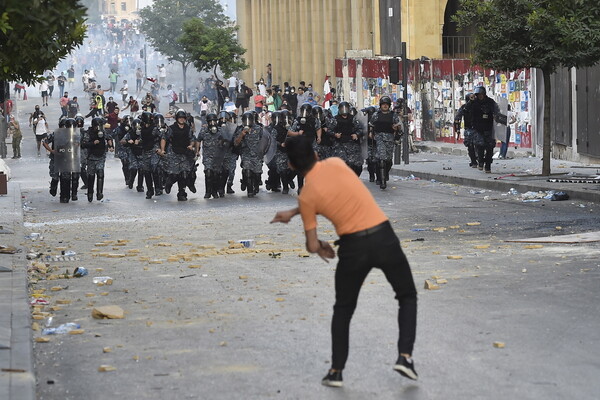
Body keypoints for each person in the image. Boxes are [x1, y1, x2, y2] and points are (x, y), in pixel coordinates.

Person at [270, 135, 418, 388]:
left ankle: (336, 371)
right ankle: (405, 356)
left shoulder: (307, 196)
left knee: (343, 309)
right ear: (316, 154)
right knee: (406, 296)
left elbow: (312, 243)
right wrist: (296, 212)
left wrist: (319, 244)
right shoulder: (337, 163)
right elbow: (336, 190)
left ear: (292, 166)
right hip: (384, 238)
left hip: (353, 248)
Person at [159, 109, 196, 201]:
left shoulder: (188, 128)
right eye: (180, 118)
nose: (181, 120)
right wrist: (163, 150)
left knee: (184, 174)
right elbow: (164, 138)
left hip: (185, 153)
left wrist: (191, 145)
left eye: (183, 118)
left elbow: (192, 138)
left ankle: (181, 193)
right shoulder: (171, 128)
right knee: (174, 174)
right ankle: (169, 183)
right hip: (173, 153)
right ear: (176, 118)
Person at [467, 86, 506, 173]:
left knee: (490, 147)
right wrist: (471, 100)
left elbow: (497, 110)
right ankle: (481, 162)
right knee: (479, 146)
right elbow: (467, 109)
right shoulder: (474, 103)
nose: (480, 96)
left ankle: (488, 165)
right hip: (478, 128)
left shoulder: (490, 102)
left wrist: (498, 116)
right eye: (478, 95)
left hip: (489, 127)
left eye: (481, 94)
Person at [369, 96, 402, 188]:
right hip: (379, 138)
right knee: (381, 159)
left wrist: (397, 129)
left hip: (390, 139)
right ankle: (382, 180)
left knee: (388, 161)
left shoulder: (393, 115)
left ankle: (385, 174)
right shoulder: (376, 115)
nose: (385, 106)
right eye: (383, 104)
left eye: (386, 104)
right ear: (380, 105)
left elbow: (399, 127)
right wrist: (371, 133)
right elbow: (371, 125)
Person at [81, 117, 114, 202]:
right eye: (97, 126)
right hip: (91, 157)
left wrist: (111, 146)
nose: (98, 128)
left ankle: (99, 193)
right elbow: (83, 144)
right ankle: (90, 193)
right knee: (91, 176)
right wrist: (92, 143)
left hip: (101, 156)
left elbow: (109, 138)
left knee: (100, 173)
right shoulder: (88, 133)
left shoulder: (103, 132)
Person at [233, 111, 264, 197]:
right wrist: (241, 135)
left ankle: (256, 185)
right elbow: (236, 143)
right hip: (246, 155)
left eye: (249, 120)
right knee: (248, 172)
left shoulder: (258, 129)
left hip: (257, 156)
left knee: (257, 174)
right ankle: (249, 191)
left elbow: (264, 140)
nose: (247, 122)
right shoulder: (239, 129)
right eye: (245, 120)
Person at [197, 113, 225, 199]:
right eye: (210, 121)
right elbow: (198, 140)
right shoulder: (203, 130)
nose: (212, 123)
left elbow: (226, 142)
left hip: (218, 156)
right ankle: (208, 192)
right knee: (208, 173)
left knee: (216, 174)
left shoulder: (220, 131)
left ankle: (214, 191)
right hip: (207, 156)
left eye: (214, 121)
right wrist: (197, 151)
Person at [454, 93, 478, 167]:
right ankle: (475, 161)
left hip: (475, 129)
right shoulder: (465, 107)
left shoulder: (477, 106)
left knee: (475, 146)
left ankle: (475, 161)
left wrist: (457, 130)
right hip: (471, 129)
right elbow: (457, 119)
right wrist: (457, 130)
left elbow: (457, 119)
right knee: (472, 146)